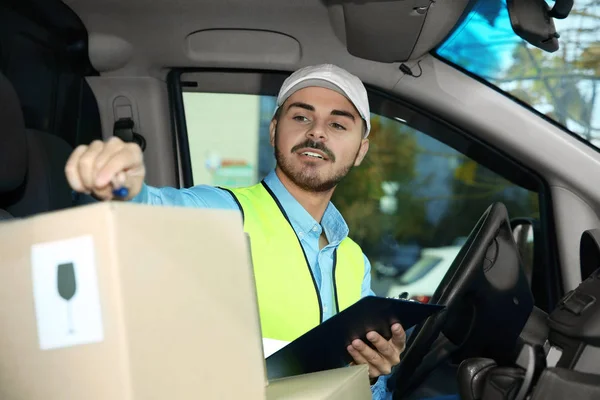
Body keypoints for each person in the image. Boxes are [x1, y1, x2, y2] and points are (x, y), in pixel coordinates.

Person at [65, 64, 405, 399]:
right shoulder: (223, 212)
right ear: (273, 131)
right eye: (301, 117)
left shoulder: (353, 261)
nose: (317, 132)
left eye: (337, 124)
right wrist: (119, 186)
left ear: (361, 150)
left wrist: (373, 376)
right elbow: (145, 212)